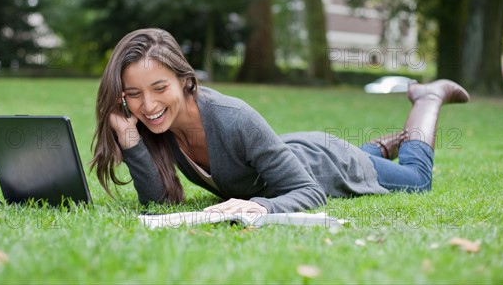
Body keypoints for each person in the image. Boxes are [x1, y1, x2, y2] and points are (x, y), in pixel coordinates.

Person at [91, 28, 470, 215]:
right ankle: (380, 147)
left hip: (329, 165)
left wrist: (260, 207)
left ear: (186, 80)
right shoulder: (156, 125)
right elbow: (157, 203)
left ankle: (428, 98)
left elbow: (310, 192)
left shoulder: (232, 118)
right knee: (359, 155)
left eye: (159, 87)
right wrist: (129, 138)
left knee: (418, 181)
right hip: (294, 149)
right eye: (134, 94)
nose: (149, 104)